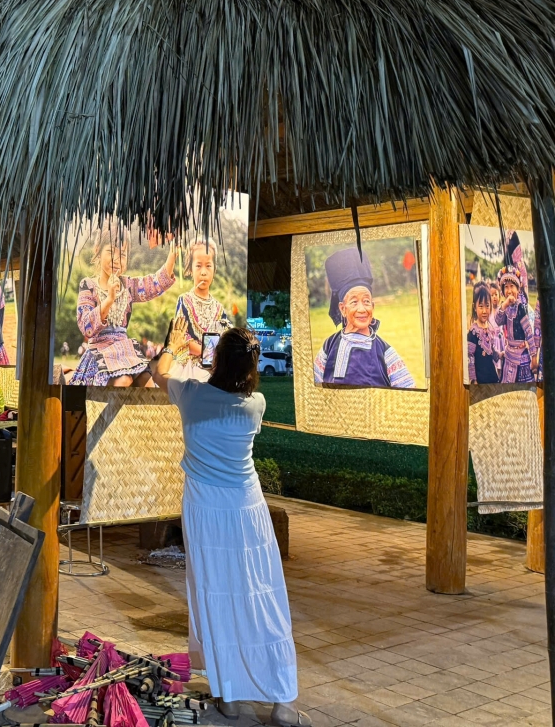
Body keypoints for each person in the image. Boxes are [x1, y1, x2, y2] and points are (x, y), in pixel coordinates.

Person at [152, 323, 309, 727]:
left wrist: (172, 346)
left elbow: (159, 372)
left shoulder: (191, 394)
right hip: (246, 507)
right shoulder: (256, 403)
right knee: (262, 595)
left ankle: (230, 695)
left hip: (205, 508)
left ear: (217, 359)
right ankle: (282, 702)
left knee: (214, 594)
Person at [70, 227, 176, 386]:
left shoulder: (128, 285)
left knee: (148, 383)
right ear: (98, 250)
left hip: (125, 354)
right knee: (124, 381)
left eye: (123, 254)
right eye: (111, 252)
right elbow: (86, 327)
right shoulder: (88, 285)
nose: (117, 260)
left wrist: (173, 253)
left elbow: (156, 283)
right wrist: (109, 299)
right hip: (99, 355)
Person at [312, 247, 414, 388]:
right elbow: (314, 386)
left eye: (366, 301)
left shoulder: (385, 352)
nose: (362, 309)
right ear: (342, 309)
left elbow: (408, 390)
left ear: (372, 306)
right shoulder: (329, 346)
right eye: (354, 302)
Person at [173, 238, 232, 369]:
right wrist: (207, 353)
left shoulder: (219, 308)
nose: (203, 272)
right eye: (198, 266)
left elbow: (226, 339)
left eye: (208, 266)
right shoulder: (184, 301)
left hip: (215, 367)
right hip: (189, 366)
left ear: (215, 269)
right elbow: (180, 338)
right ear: (190, 268)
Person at [495, 263, 538, 383]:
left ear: (518, 289)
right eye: (506, 287)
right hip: (509, 355)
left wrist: (534, 357)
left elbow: (529, 332)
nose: (509, 290)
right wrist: (504, 304)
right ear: (502, 291)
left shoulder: (521, 308)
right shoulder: (505, 307)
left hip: (521, 357)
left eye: (512, 286)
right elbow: (497, 320)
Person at [467, 281, 503, 384]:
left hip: (492, 378)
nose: (484, 311)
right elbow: (470, 358)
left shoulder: (491, 329)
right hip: (480, 382)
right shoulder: (473, 333)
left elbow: (492, 352)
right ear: (474, 307)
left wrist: (501, 354)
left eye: (487, 306)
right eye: (481, 306)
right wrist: (474, 381)